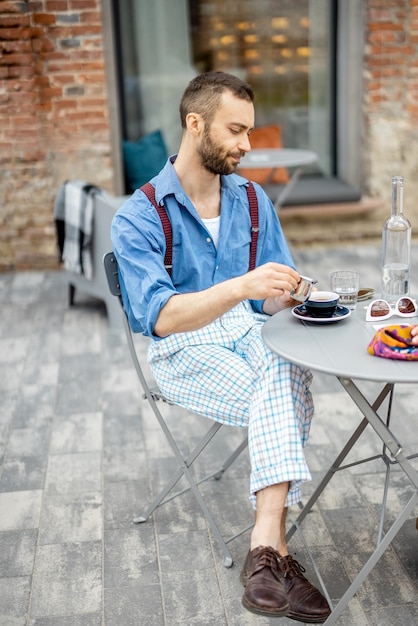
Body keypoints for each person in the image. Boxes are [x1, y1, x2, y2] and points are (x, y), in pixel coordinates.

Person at [111, 71, 331, 622]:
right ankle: (280, 552)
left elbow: (266, 303)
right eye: (236, 130)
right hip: (184, 350)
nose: (247, 145)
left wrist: (288, 293)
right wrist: (242, 286)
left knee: (285, 366)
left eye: (249, 131)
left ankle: (264, 548)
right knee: (287, 381)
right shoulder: (138, 215)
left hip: (250, 337)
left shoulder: (253, 201)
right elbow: (159, 317)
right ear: (195, 123)